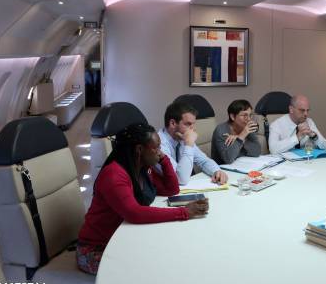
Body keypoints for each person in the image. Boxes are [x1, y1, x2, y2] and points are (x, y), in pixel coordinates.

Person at [77, 123, 209, 274]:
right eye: (156, 148)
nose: (160, 152)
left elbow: (171, 189)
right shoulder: (114, 175)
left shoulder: (142, 168)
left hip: (123, 239)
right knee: (149, 268)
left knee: (170, 253)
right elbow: (135, 213)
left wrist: (163, 160)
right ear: (139, 150)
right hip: (96, 248)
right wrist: (184, 212)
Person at [158, 102, 228, 186]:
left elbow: (203, 161)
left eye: (193, 124)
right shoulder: (159, 144)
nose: (192, 129)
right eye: (188, 124)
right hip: (163, 194)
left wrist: (217, 171)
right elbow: (180, 179)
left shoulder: (182, 138)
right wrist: (188, 145)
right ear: (173, 123)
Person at [211, 99, 261, 164]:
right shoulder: (221, 130)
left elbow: (257, 152)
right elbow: (228, 159)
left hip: (245, 165)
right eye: (244, 115)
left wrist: (240, 138)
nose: (249, 119)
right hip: (223, 169)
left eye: (250, 115)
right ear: (232, 117)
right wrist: (241, 136)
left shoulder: (248, 128)